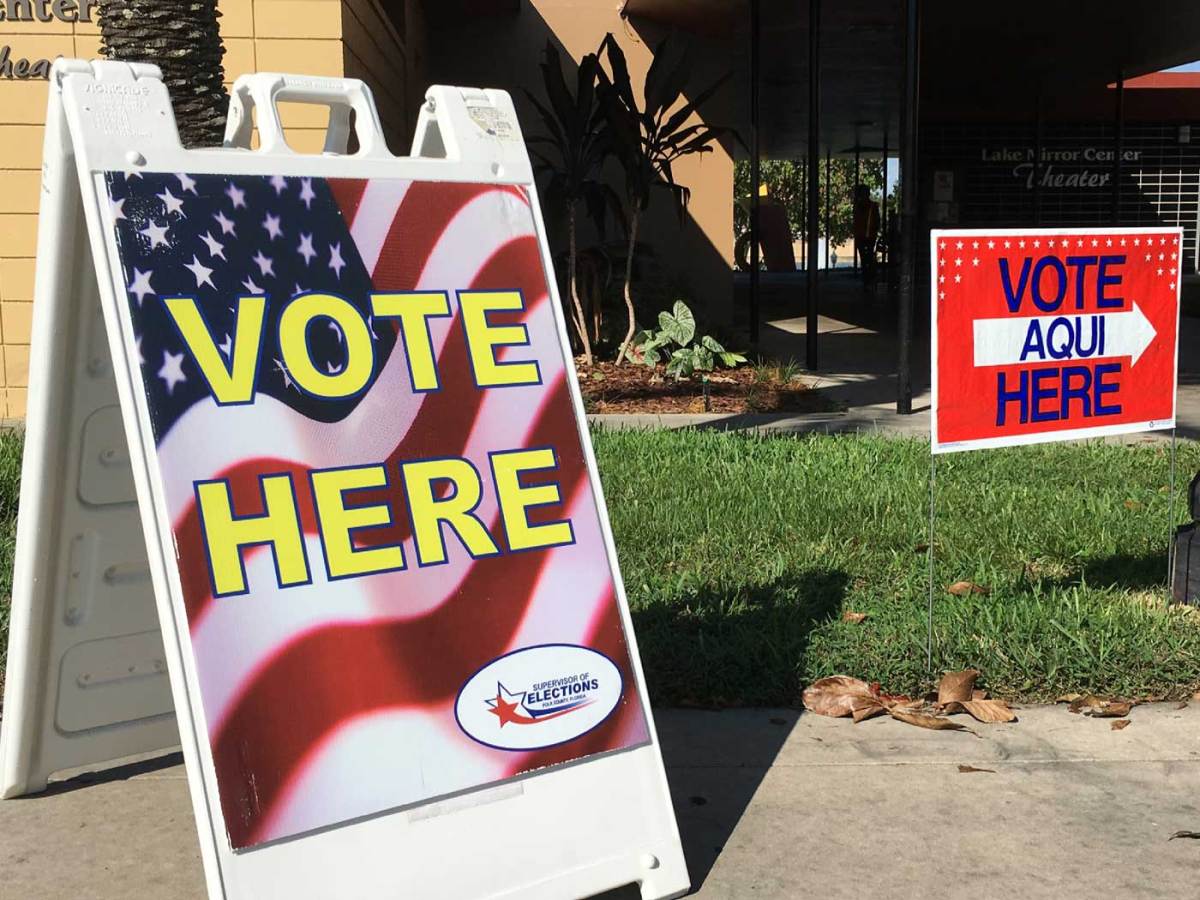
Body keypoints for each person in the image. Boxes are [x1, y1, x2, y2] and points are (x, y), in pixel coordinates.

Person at [852, 184, 880, 288]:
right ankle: (868, 278)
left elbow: (857, 221)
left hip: (865, 236)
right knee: (866, 258)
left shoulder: (860, 206)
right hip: (866, 236)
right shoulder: (868, 206)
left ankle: (867, 278)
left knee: (865, 259)